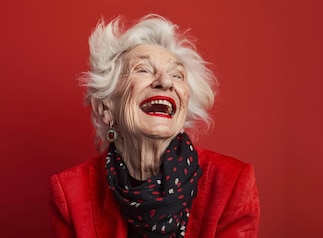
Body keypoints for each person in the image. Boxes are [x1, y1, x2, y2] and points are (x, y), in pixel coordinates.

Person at [49, 14, 260, 238]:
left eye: (177, 75)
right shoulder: (70, 191)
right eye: (143, 70)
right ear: (106, 107)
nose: (165, 82)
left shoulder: (232, 182)